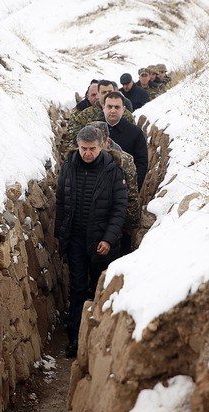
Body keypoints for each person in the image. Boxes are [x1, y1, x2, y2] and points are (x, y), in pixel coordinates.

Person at [55, 126, 128, 357]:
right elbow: (60, 202)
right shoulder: (68, 167)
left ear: (102, 145)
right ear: (78, 146)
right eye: (83, 148)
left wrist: (108, 239)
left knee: (100, 290)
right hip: (76, 240)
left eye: (92, 149)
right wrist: (60, 236)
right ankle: (75, 340)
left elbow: (119, 209)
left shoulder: (113, 171)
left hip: (102, 243)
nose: (87, 153)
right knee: (77, 289)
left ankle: (97, 339)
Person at [88, 121, 140, 256]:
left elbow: (131, 194)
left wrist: (130, 225)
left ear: (107, 142)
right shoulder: (81, 159)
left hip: (116, 222)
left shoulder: (124, 160)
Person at [65, 79, 135, 152]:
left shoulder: (126, 115)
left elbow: (134, 136)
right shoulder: (84, 115)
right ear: (99, 94)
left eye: (110, 92)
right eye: (104, 92)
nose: (107, 94)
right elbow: (74, 139)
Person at [100, 91, 148, 192]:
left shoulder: (135, 132)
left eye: (117, 107)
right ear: (103, 107)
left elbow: (141, 163)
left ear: (124, 109)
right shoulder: (92, 130)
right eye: (109, 106)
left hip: (123, 189)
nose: (113, 110)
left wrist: (134, 189)